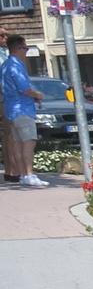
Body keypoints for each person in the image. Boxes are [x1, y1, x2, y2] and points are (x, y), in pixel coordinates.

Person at [2, 34, 47, 187]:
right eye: (26, 48)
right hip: (23, 108)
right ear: (19, 48)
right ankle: (29, 174)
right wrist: (38, 95)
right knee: (28, 142)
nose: (27, 52)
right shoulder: (16, 66)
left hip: (10, 108)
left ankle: (22, 174)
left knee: (18, 143)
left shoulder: (5, 65)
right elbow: (24, 88)